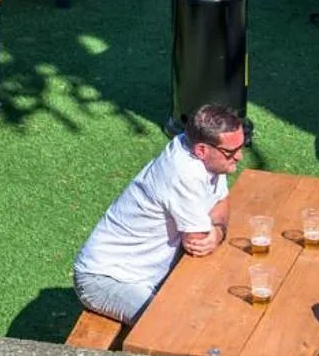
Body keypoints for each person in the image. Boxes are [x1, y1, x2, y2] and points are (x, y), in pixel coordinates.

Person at [71, 104, 245, 326]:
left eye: (241, 146)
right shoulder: (184, 173)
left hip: (147, 273)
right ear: (201, 150)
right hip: (106, 279)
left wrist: (218, 230)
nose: (239, 156)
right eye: (231, 152)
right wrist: (218, 232)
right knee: (170, 328)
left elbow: (221, 200)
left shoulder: (206, 155)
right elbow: (197, 242)